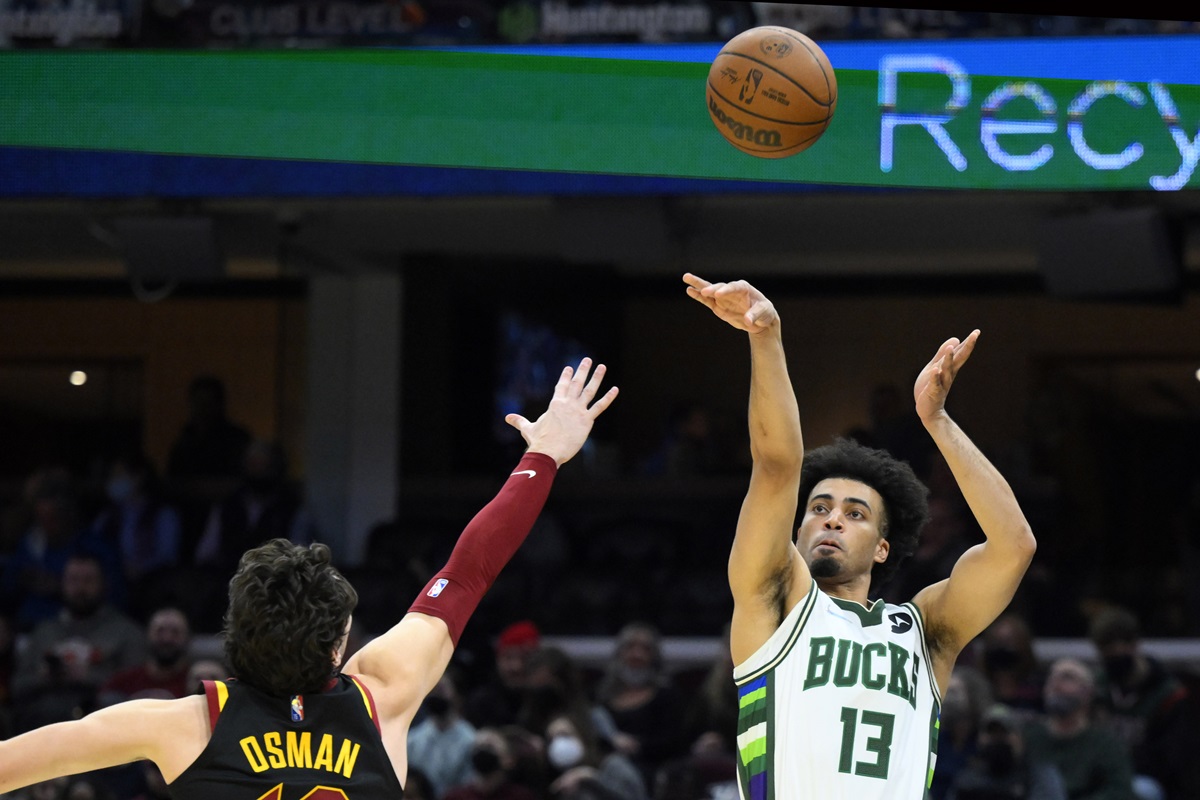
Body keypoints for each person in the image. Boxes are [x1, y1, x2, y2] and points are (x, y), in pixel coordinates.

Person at [0, 357, 618, 799]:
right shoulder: (385, 696)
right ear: (339, 643)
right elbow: (465, 575)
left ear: (232, 636)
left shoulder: (182, 725)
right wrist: (541, 458)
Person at [683, 274, 1036, 800]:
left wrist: (936, 420)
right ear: (797, 528)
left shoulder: (924, 630)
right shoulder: (773, 599)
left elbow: (1014, 546)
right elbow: (778, 465)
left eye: (855, 513)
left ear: (882, 546)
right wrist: (766, 337)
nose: (831, 520)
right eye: (819, 508)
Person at [1021, 658, 1135, 800]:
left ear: (1088, 692)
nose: (1055, 684)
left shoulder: (1106, 742)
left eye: (1067, 677)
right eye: (1051, 677)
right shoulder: (1030, 737)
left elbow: (1120, 791)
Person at [947, 704, 1066, 800]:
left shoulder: (1039, 775)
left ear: (1020, 739)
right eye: (992, 734)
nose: (997, 740)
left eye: (1004, 734)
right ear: (980, 740)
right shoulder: (968, 779)